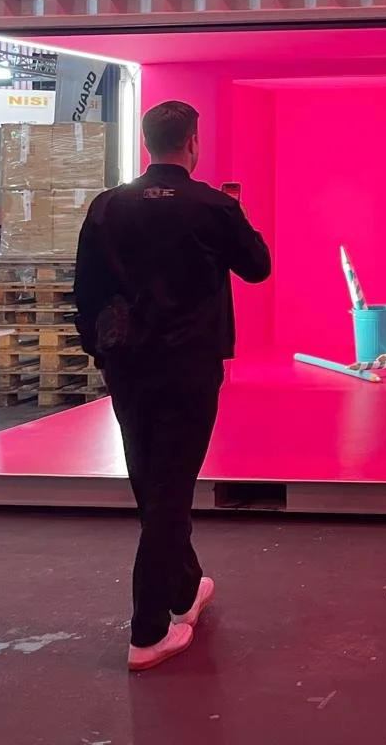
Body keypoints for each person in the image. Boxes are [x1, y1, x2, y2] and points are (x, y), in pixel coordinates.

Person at [73, 101, 272, 672]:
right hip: (189, 366)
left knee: (152, 485)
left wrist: (100, 350)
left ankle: (185, 590)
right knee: (169, 491)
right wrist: (236, 214)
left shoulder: (108, 207)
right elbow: (257, 266)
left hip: (128, 366)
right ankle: (148, 631)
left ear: (146, 142)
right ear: (192, 144)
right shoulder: (212, 206)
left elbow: (84, 288)